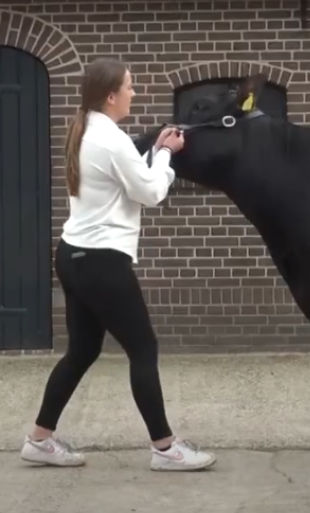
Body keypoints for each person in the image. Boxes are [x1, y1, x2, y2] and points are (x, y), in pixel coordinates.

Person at [20, 58, 216, 472]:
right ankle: (165, 449)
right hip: (101, 262)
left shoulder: (87, 128)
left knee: (82, 351)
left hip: (73, 255)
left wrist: (150, 145)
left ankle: (40, 440)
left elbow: (121, 169)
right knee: (143, 349)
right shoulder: (110, 139)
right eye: (129, 86)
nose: (134, 92)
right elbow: (148, 192)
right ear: (111, 95)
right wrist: (165, 152)